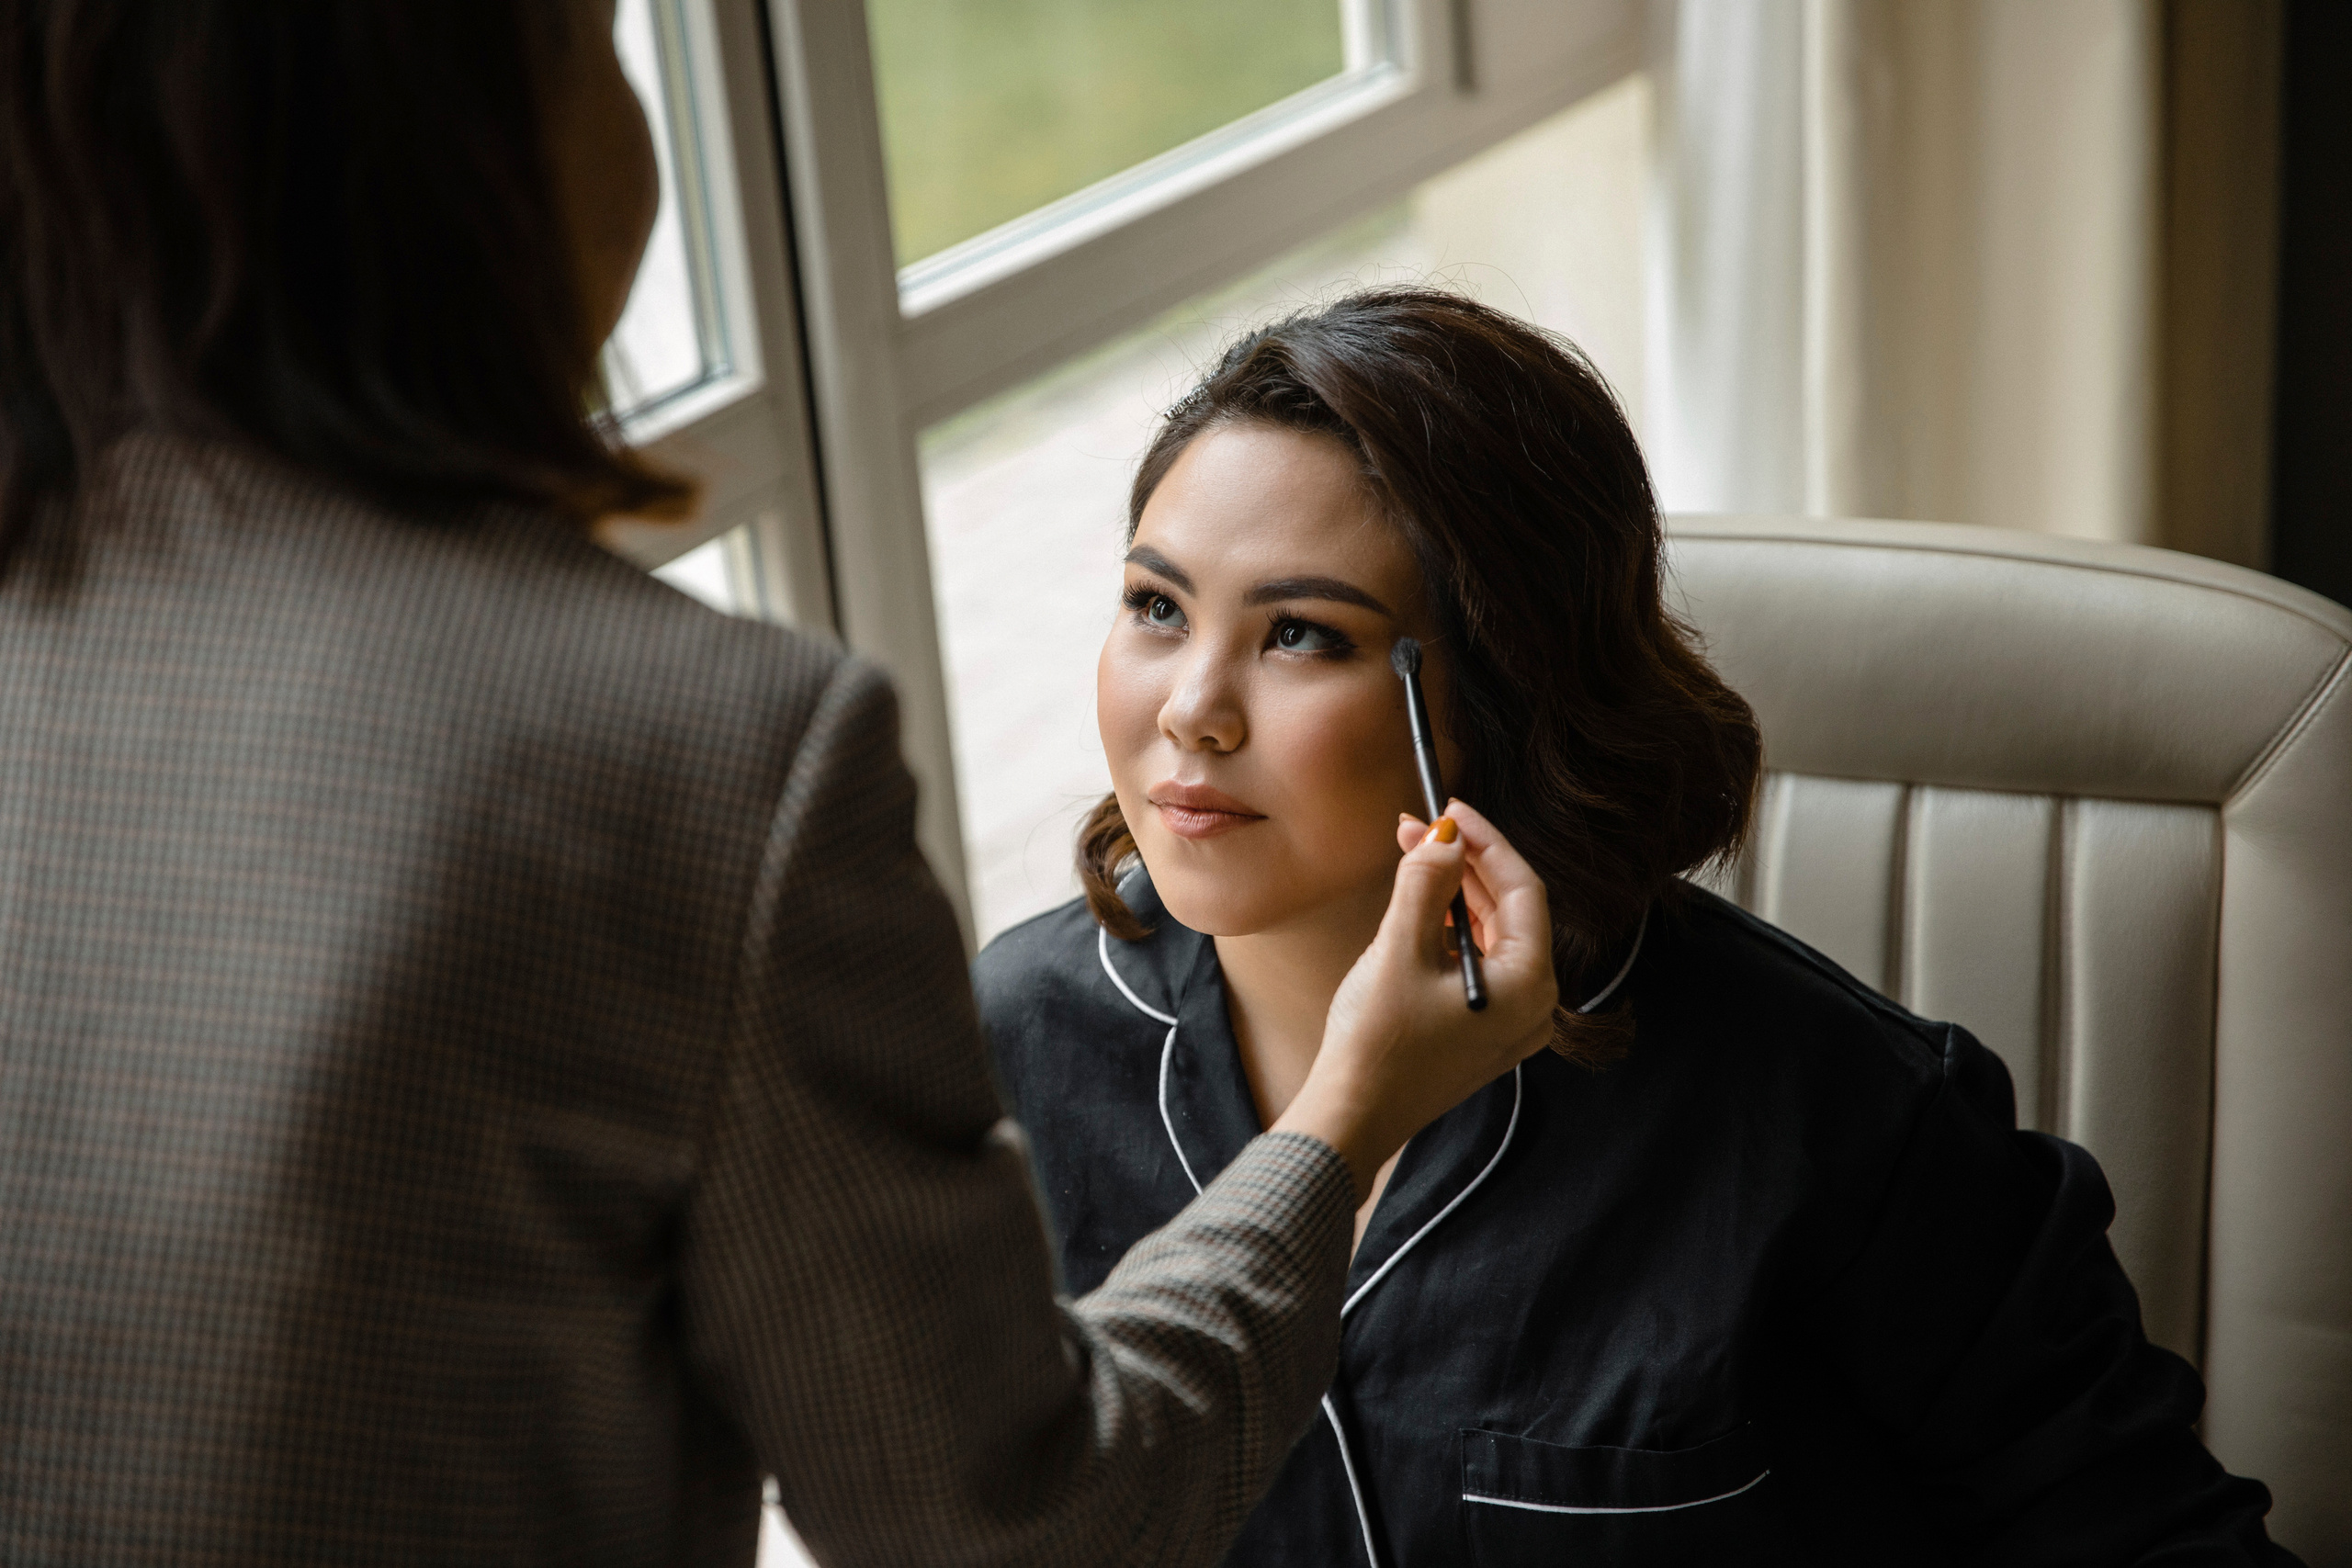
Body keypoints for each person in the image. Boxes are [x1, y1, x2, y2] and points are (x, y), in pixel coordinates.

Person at [0, 7, 1564, 1565]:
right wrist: (1350, 1120)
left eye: (1299, 634)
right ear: (468, 161)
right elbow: (1001, 1522)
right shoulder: (700, 765)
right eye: (606, 42)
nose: (1197, 711)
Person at [975, 288, 2301, 1565]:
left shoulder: (1844, 1119)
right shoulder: (1003, 1055)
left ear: (1500, 697)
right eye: (1157, 606)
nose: (1191, 709)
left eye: (1304, 636)